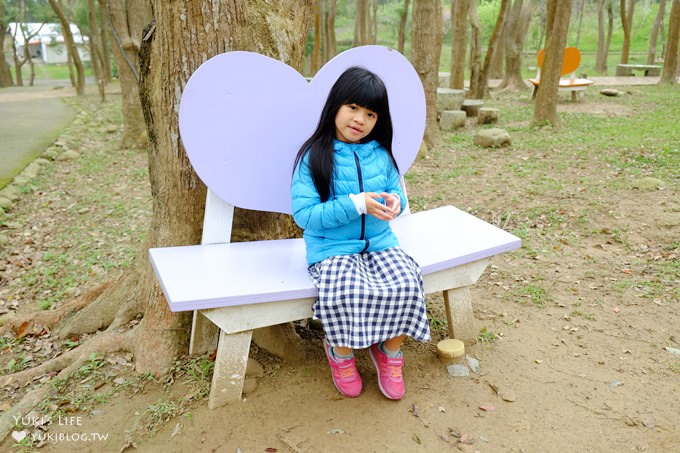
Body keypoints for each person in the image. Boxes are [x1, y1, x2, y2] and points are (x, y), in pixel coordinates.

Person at [290, 66, 431, 400]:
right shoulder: (314, 156)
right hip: (332, 248)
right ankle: (341, 355)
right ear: (336, 106)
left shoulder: (381, 155)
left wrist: (394, 203)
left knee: (408, 283)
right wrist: (356, 204)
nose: (360, 120)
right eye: (353, 108)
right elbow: (305, 215)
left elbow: (394, 192)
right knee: (344, 291)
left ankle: (389, 352)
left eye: (370, 113)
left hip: (381, 243)